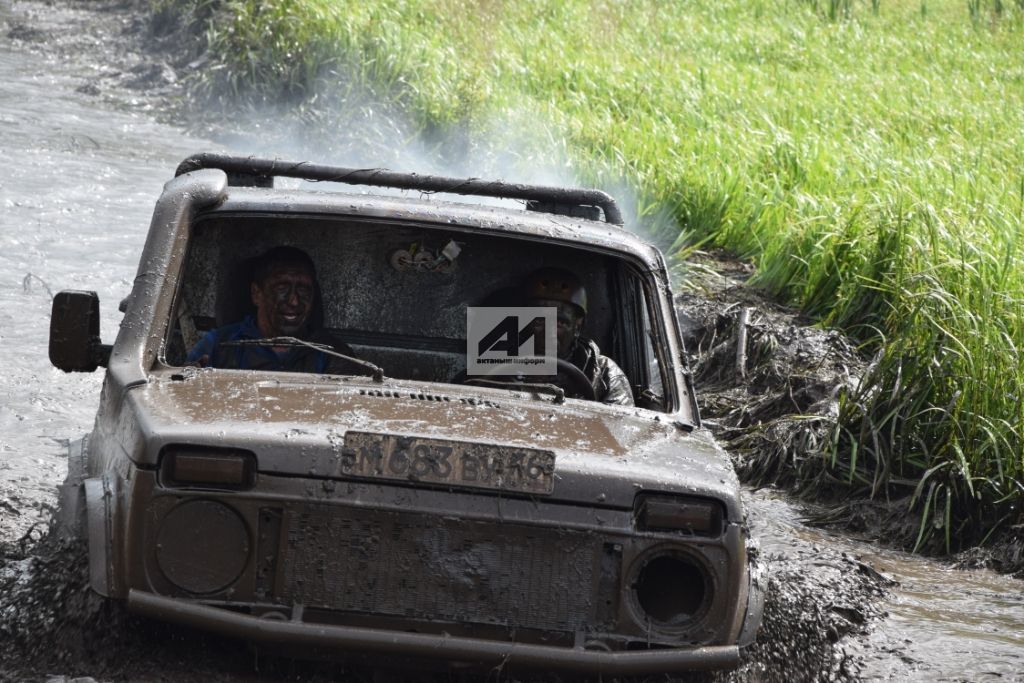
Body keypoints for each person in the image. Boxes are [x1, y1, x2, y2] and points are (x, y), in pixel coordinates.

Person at [186, 246, 355, 373]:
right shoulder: (218, 345)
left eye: (303, 289)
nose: (294, 301)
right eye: (282, 288)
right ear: (257, 293)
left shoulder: (333, 354)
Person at [524, 267, 634, 406]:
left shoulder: (603, 373)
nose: (549, 332)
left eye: (560, 323)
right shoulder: (497, 360)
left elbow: (620, 423)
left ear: (577, 326)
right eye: (539, 320)